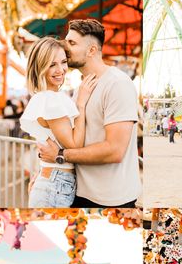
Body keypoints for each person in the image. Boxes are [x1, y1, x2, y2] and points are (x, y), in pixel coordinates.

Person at [38, 19, 141, 208]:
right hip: (81, 191)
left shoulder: (117, 84)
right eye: (66, 40)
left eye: (72, 43)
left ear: (92, 50)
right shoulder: (82, 89)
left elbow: (115, 150)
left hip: (109, 198)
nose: (65, 47)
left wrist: (60, 155)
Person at [20, 37, 97, 207]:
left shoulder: (43, 97)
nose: (60, 70)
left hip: (52, 181)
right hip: (55, 184)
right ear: (40, 66)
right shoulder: (51, 100)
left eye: (63, 62)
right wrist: (81, 105)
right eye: (51, 64)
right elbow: (74, 146)